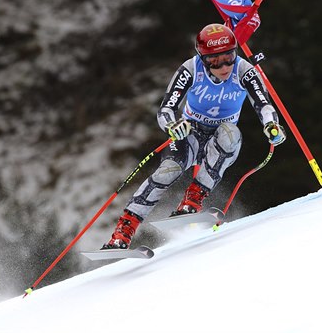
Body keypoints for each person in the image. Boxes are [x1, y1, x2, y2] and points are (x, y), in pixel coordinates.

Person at [102, 23, 286, 250]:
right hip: (190, 133)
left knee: (231, 134)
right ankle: (123, 232)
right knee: (167, 171)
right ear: (203, 58)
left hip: (220, 136)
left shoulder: (244, 71)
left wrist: (271, 125)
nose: (224, 66)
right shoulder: (190, 69)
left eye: (229, 56)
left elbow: (263, 103)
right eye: (215, 61)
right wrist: (173, 126)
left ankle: (193, 200)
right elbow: (166, 109)